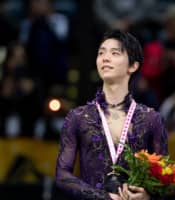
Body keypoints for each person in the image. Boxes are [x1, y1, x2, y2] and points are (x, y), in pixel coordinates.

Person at [55, 30, 168, 200]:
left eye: (115, 53)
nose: (105, 58)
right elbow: (62, 175)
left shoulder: (152, 119)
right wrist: (104, 197)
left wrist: (148, 195)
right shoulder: (78, 117)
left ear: (133, 66)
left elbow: (166, 176)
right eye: (101, 52)